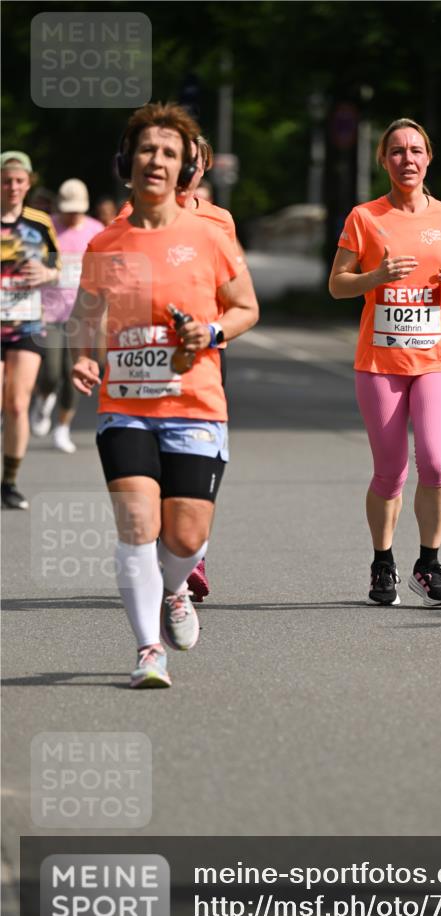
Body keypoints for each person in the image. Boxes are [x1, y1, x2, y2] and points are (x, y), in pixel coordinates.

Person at [68, 102, 259, 688]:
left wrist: (214, 331)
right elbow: (85, 315)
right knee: (137, 525)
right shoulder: (106, 244)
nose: (157, 160)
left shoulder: (209, 236)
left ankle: (174, 586)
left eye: (170, 153)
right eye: (148, 149)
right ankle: (149, 649)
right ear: (128, 162)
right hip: (125, 405)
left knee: (185, 536)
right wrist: (81, 355)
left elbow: (246, 307)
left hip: (196, 403)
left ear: (185, 169)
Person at [328, 118, 441, 607]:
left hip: (437, 358)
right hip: (380, 361)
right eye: (396, 151)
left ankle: (428, 565)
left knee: (435, 461)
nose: (406, 159)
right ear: (383, 160)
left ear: (428, 157)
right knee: (389, 471)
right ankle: (382, 562)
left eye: (415, 150)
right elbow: (337, 284)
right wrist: (376, 276)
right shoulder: (365, 217)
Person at [116, 133, 244, 603]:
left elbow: (234, 289)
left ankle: (193, 552)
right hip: (146, 354)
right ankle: (159, 547)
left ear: (201, 168)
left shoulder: (218, 219)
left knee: (194, 455)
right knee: (154, 455)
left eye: (193, 161)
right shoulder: (132, 215)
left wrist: (211, 327)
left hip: (205, 350)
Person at [1, 151, 60, 510]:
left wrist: (47, 274)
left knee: (18, 404)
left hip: (26, 322)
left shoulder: (40, 222)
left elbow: (59, 265)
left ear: (28, 182)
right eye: (6, 180)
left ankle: (9, 481)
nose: (12, 187)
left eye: (19, 180)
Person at [31, 178, 104, 452]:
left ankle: (62, 427)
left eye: (77, 209)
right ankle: (42, 397)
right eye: (68, 209)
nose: (72, 214)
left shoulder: (96, 231)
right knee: (50, 372)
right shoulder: (46, 228)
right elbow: (33, 264)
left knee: (73, 373)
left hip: (83, 315)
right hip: (49, 312)